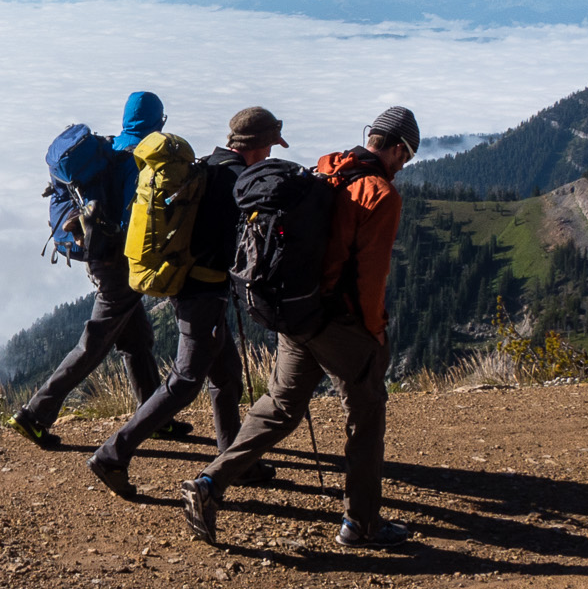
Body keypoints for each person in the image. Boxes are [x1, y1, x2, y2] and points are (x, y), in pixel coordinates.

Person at [179, 105, 421, 549]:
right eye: (404, 156)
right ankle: (361, 524)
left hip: (296, 312)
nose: (403, 165)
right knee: (367, 413)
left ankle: (209, 484)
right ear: (394, 147)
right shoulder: (379, 194)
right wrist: (376, 332)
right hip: (340, 322)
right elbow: (371, 278)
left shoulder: (326, 170)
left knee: (278, 408)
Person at [84, 107, 290, 496]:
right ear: (259, 144)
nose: (268, 155)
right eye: (268, 147)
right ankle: (112, 454)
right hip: (202, 294)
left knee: (226, 375)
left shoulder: (207, 165)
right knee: (185, 381)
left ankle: (234, 460)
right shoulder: (238, 181)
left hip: (189, 287)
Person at [7, 91, 185, 448]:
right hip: (120, 260)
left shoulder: (110, 147)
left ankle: (156, 416)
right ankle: (34, 414)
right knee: (94, 344)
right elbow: (133, 218)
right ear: (159, 122)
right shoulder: (142, 158)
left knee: (137, 341)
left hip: (100, 256)